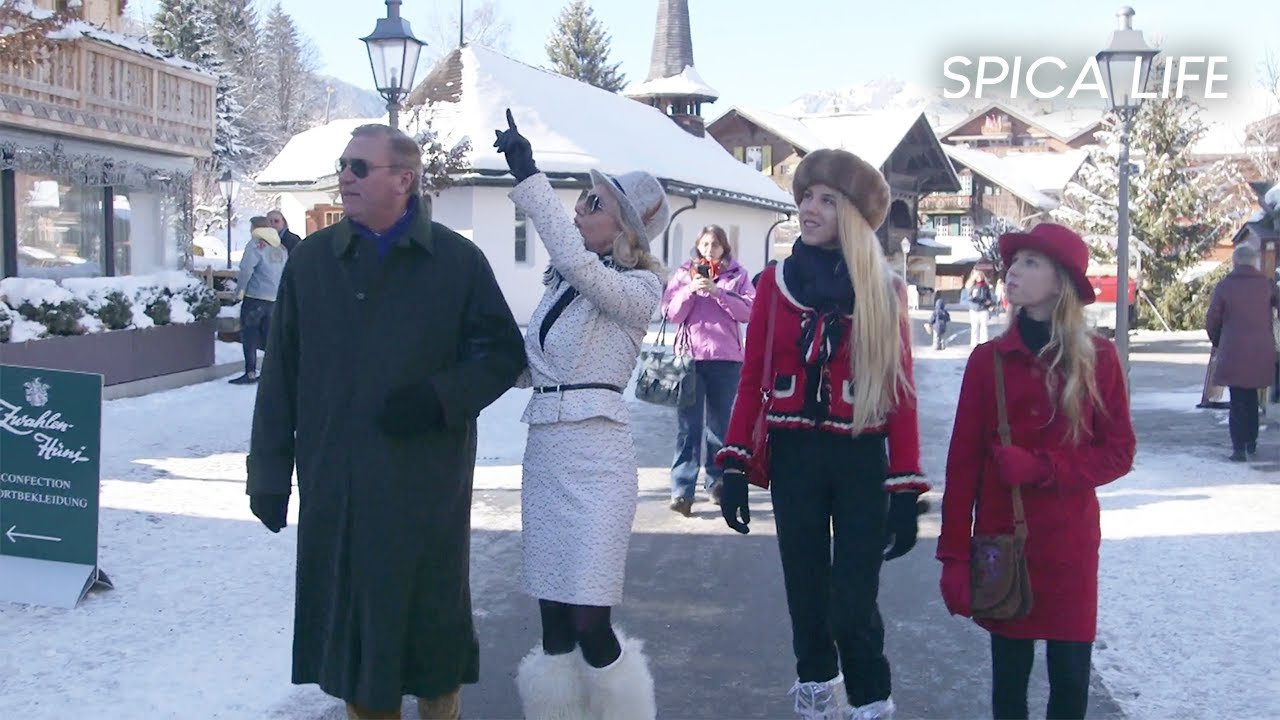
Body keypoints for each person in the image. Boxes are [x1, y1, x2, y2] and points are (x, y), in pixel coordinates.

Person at [245, 123, 526, 720]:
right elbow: (280, 378)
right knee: (357, 650)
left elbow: (502, 354)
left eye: (360, 167)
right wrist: (268, 473)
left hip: (423, 486)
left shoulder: (456, 261)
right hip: (337, 485)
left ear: (404, 179)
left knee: (430, 643)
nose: (345, 175)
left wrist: (439, 398)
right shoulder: (314, 262)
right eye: (344, 165)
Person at [716, 149, 927, 720]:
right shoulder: (775, 283)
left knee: (852, 605)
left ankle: (870, 701)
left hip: (861, 457)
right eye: (806, 196)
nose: (808, 208)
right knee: (806, 597)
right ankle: (815, 698)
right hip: (794, 459)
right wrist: (733, 464)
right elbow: (750, 379)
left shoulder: (885, 292)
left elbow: (901, 393)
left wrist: (905, 489)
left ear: (853, 215)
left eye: (826, 200)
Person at [494, 109, 664, 720]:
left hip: (598, 461)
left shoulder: (640, 288)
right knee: (554, 624)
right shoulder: (562, 286)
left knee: (591, 621)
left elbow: (579, 264)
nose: (578, 210)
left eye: (591, 203)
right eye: (581, 200)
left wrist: (528, 173)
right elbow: (535, 363)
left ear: (625, 225)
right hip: (546, 453)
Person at [937, 223, 1136, 720]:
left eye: (1030, 262)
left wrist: (1042, 467)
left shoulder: (1100, 360)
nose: (1013, 272)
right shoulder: (988, 361)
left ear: (1060, 281)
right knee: (1009, 685)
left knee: (1070, 684)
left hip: (1069, 547)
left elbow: (1118, 452)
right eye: (1014, 261)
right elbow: (961, 467)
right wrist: (954, 556)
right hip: (1002, 543)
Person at [661, 224, 755, 515]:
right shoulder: (683, 273)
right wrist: (691, 289)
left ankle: (717, 484)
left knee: (720, 427)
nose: (709, 250)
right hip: (689, 359)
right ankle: (682, 491)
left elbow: (749, 311)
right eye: (704, 244)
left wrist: (718, 293)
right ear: (697, 246)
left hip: (725, 359)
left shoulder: (737, 275)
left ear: (724, 248)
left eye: (715, 245)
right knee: (688, 428)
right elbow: (671, 312)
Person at [1205, 242, 1280, 461]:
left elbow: (1213, 318)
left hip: (1234, 349)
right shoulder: (1266, 285)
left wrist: (1218, 340)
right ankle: (1251, 442)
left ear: (1236, 261)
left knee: (1238, 398)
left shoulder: (1225, 286)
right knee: (1252, 398)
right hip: (1261, 349)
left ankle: (1239, 447)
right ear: (1254, 262)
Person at [229, 216, 287, 385]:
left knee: (250, 335)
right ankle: (273, 373)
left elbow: (246, 269)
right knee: (270, 337)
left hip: (255, 298)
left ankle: (251, 372)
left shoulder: (255, 245)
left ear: (255, 228)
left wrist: (239, 291)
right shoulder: (281, 248)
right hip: (274, 299)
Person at [968, 269, 995, 346]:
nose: (979, 278)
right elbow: (969, 298)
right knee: (974, 327)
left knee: (984, 327)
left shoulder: (986, 287)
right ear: (975, 278)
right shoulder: (972, 286)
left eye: (981, 276)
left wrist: (989, 302)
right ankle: (974, 343)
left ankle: (984, 342)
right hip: (974, 309)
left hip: (984, 309)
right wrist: (973, 297)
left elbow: (989, 297)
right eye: (978, 276)